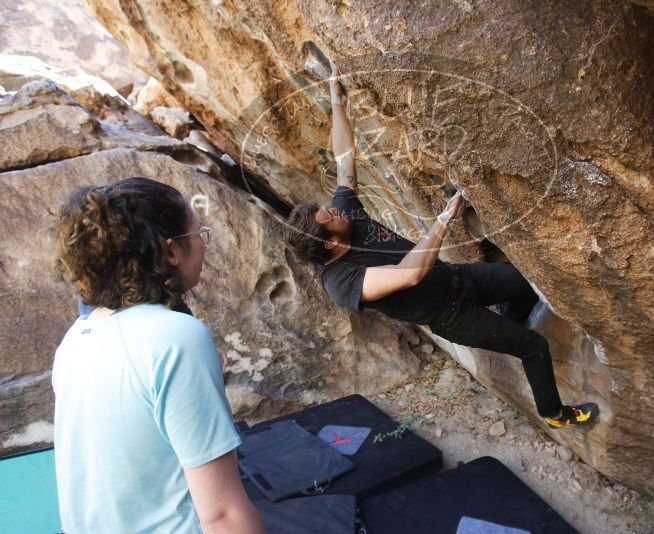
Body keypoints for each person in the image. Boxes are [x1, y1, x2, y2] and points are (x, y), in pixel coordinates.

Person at [285, 65, 598, 430]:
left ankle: (503, 326)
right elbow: (410, 273)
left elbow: (343, 161)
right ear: (332, 242)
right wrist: (444, 219)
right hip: (451, 316)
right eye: (330, 215)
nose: (336, 207)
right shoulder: (342, 281)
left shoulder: (345, 216)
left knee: (534, 283)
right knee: (533, 347)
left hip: (458, 277)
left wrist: (336, 101)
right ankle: (555, 414)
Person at [50, 177, 264, 533]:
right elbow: (223, 515)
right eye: (199, 234)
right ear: (170, 251)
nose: (204, 246)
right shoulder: (176, 338)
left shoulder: (75, 339)